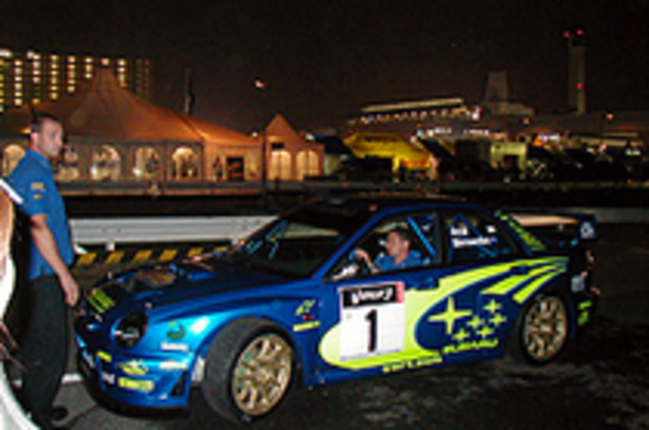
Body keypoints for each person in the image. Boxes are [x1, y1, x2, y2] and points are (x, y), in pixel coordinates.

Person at [8, 112, 79, 430]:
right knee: (50, 348)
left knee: (39, 344)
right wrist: (65, 275)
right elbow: (38, 227)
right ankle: (37, 417)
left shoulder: (35, 170)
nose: (59, 143)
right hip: (43, 274)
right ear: (34, 137)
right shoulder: (32, 173)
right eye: (53, 135)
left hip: (38, 271)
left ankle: (38, 406)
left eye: (61, 136)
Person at [355, 227, 422, 273]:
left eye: (392, 242)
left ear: (405, 244)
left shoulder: (414, 266)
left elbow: (386, 281)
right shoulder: (385, 259)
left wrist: (368, 261)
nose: (387, 245)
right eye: (387, 242)